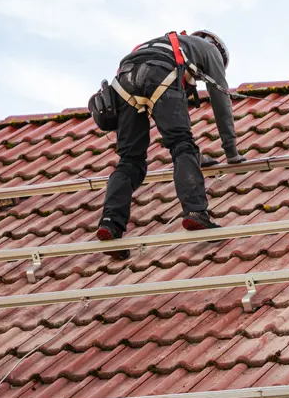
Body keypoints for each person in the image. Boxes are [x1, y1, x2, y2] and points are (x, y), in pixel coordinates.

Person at [96, 30, 247, 254]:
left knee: (129, 160)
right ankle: (196, 213)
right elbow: (220, 99)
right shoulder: (210, 50)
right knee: (182, 145)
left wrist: (198, 160)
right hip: (158, 74)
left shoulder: (165, 45)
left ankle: (111, 223)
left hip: (124, 82)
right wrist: (231, 151)